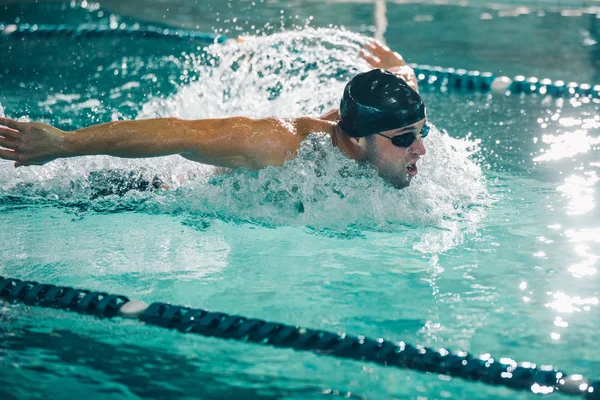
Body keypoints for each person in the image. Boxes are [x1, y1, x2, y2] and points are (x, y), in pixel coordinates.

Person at [0, 41, 428, 189]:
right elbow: (180, 133)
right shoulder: (283, 145)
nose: (421, 148)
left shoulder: (393, 120)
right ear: (355, 139)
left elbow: (404, 81)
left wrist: (396, 64)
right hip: (159, 190)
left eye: (421, 132)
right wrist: (63, 143)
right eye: (406, 138)